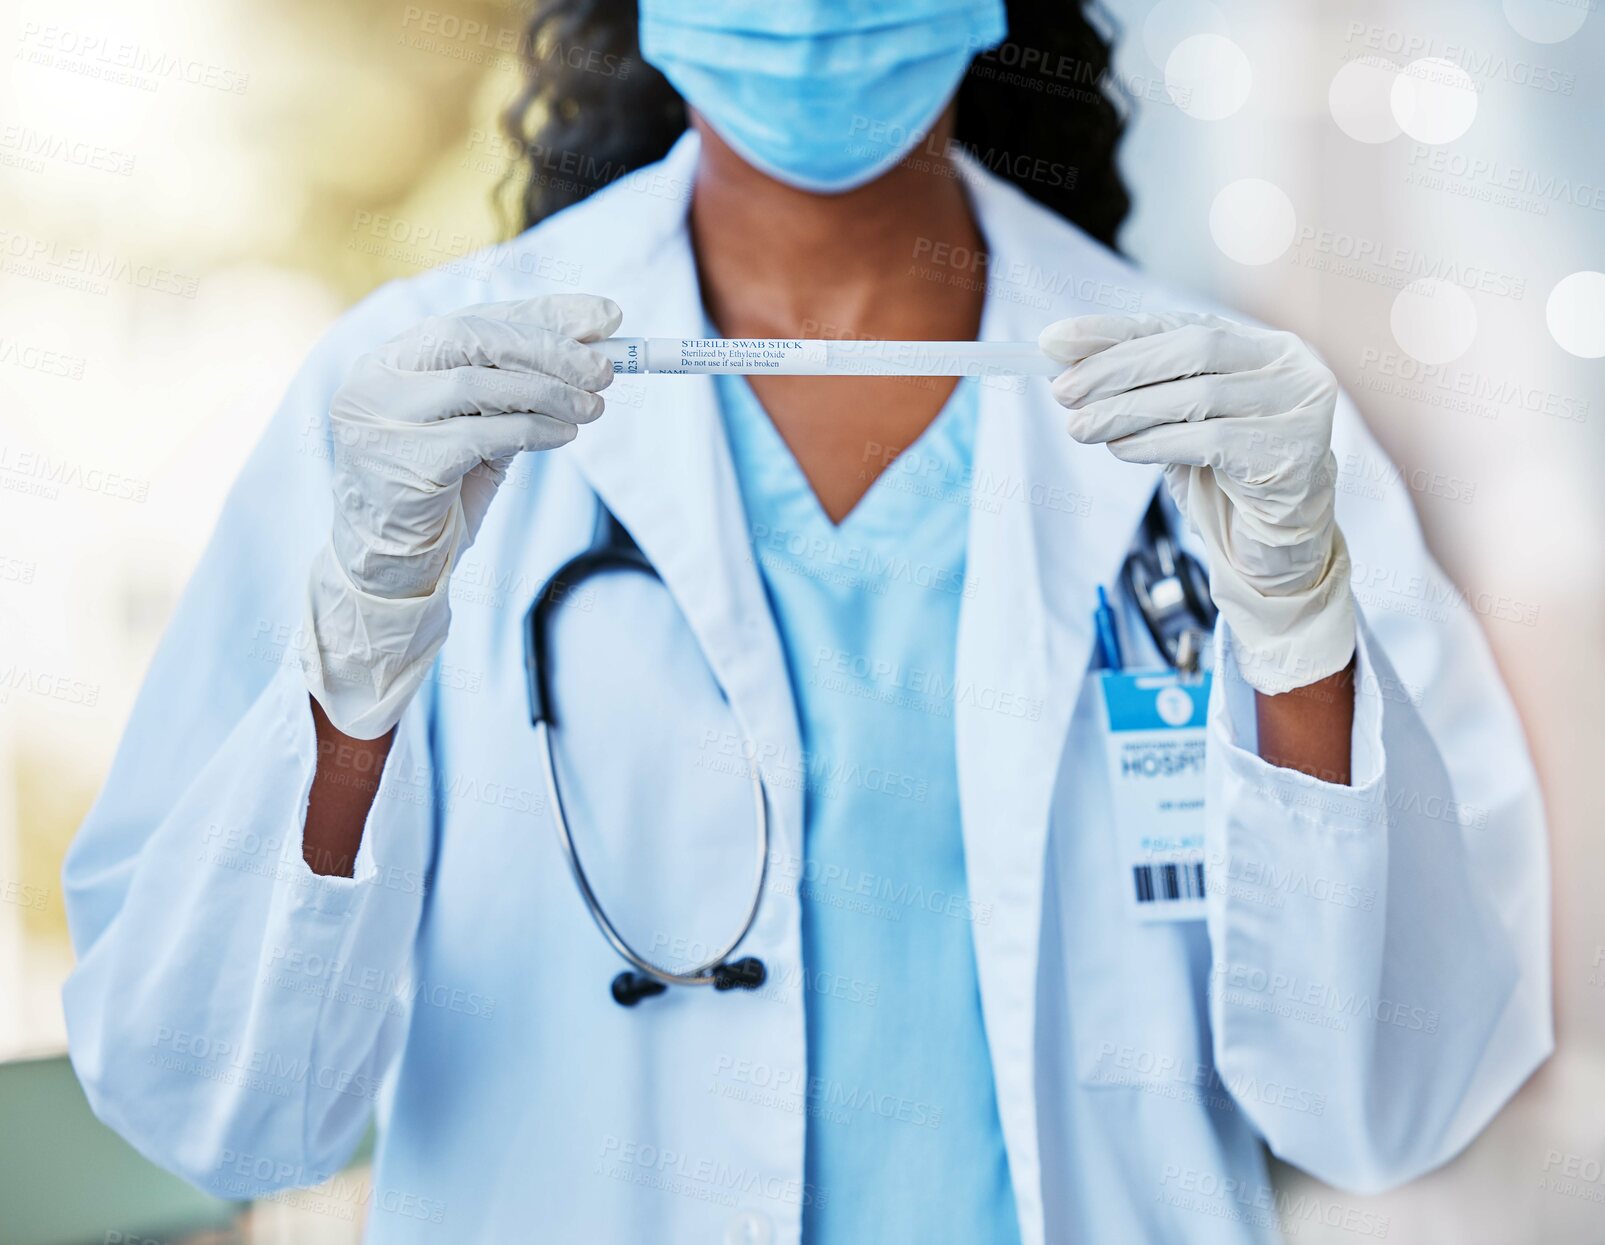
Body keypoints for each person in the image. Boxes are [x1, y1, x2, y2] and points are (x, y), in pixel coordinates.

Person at [61, 1, 1551, 1242]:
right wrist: (358, 652)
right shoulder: (406, 404)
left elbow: (1390, 1098)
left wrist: (1298, 640)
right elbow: (212, 1094)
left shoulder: (1239, 426)